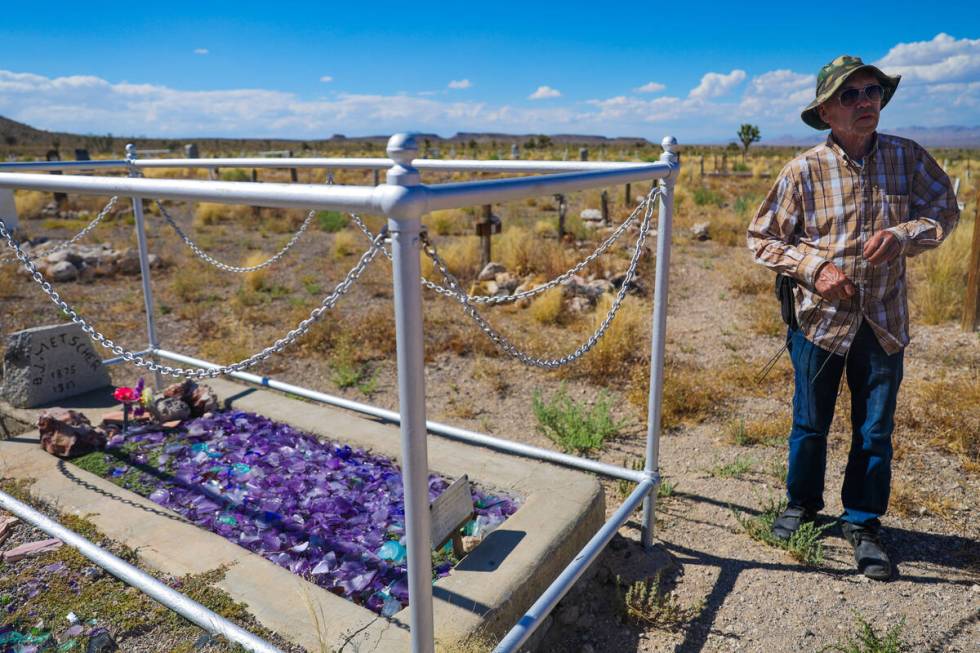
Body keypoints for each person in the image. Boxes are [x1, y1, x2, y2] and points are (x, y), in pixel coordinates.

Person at [746, 55, 960, 580]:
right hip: (819, 320)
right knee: (809, 423)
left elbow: (945, 210)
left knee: (874, 431)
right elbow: (764, 238)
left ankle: (862, 523)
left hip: (883, 322)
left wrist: (906, 235)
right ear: (826, 112)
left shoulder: (908, 158)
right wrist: (814, 268)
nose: (866, 102)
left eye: (873, 92)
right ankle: (802, 506)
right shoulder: (802, 170)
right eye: (851, 95)